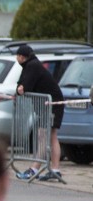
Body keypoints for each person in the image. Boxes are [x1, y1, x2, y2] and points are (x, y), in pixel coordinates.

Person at [14, 44, 65, 181]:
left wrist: (21, 89)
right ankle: (54, 170)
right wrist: (19, 89)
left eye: (17, 55)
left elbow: (25, 87)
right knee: (49, 135)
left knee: (45, 135)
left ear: (22, 56)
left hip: (52, 104)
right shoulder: (28, 66)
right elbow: (20, 84)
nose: (16, 58)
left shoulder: (32, 66)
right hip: (46, 104)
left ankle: (35, 169)